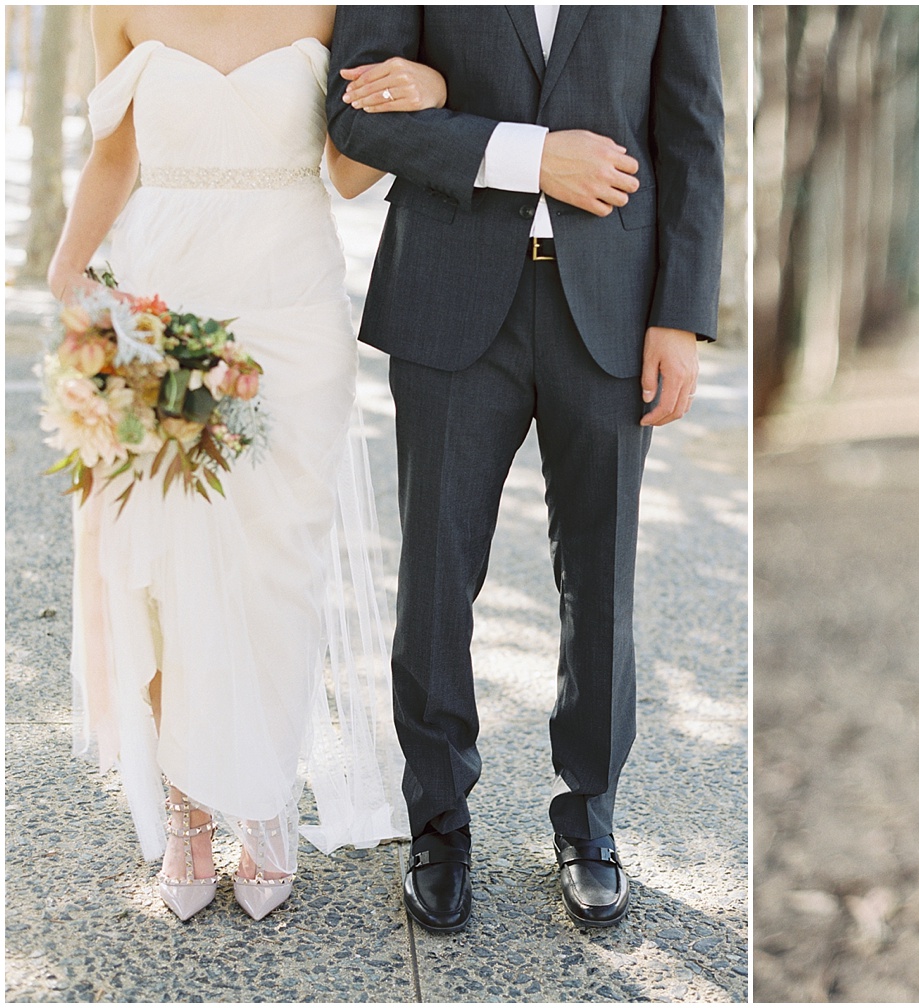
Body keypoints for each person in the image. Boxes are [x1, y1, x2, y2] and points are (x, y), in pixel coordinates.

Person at [325, 7, 724, 933]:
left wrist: (679, 316)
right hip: (452, 298)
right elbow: (355, 118)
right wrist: (523, 153)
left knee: (602, 576)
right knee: (434, 574)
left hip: (615, 311)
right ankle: (438, 821)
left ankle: (589, 819)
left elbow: (693, 132)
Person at [49, 5, 448, 922]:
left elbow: (348, 173)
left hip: (292, 309)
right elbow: (115, 156)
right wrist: (70, 277)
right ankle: (187, 808)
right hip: (160, 301)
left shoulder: (333, 6)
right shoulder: (113, 6)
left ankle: (264, 796)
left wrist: (423, 94)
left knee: (278, 566)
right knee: (164, 564)